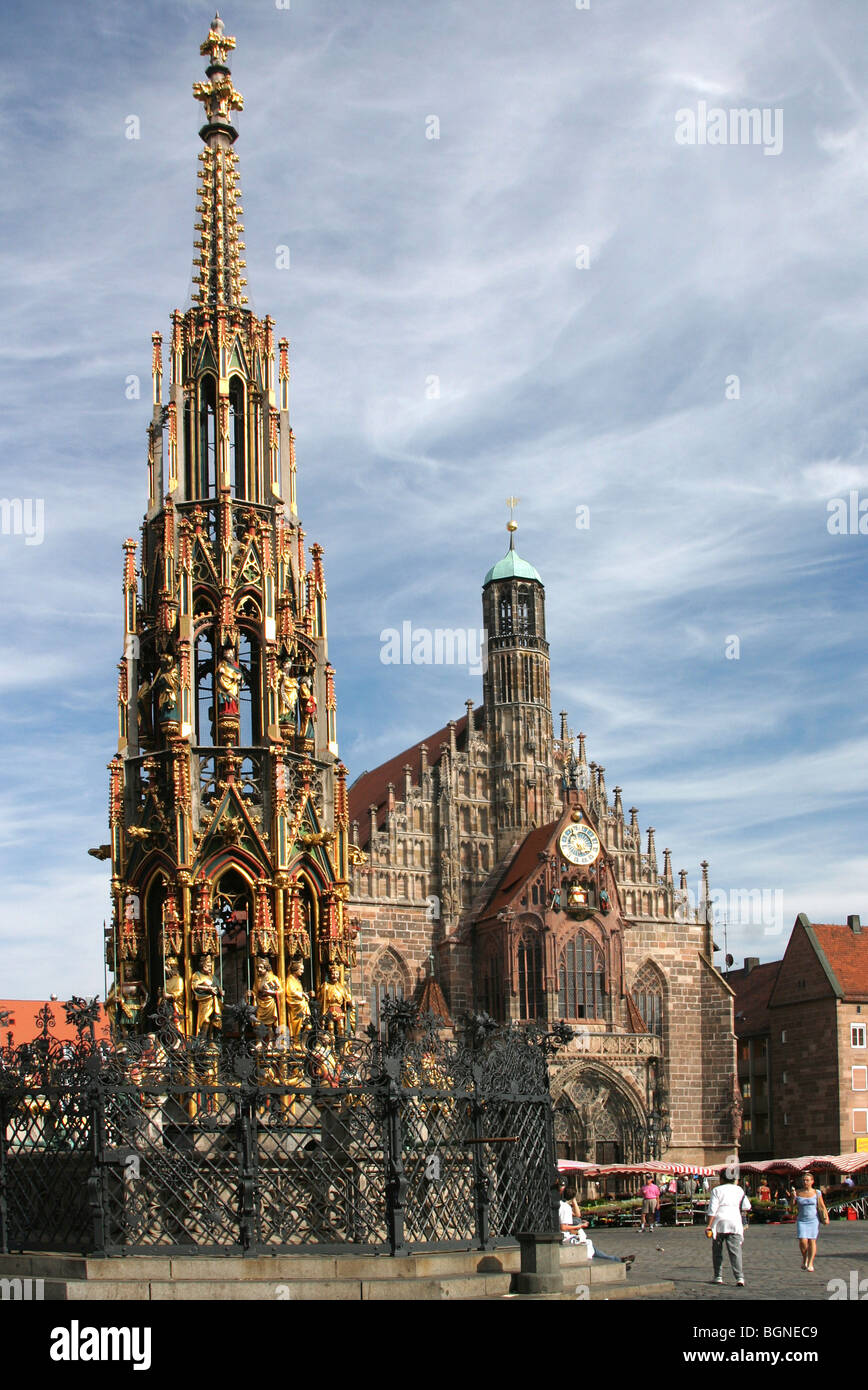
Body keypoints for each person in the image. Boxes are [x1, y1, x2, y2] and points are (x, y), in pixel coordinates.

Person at [558, 1184, 635, 1266]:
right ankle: (618, 1262)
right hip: (566, 1238)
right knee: (592, 1250)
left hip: (568, 1236)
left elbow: (578, 1214)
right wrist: (580, 1226)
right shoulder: (564, 1207)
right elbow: (563, 1227)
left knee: (593, 1250)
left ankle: (618, 1261)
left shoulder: (564, 1206)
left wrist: (574, 1201)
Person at [706, 1173, 751, 1287]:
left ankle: (718, 1276)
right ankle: (739, 1277)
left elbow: (712, 1209)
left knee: (717, 1252)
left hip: (719, 1223)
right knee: (735, 1252)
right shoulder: (739, 1190)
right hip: (734, 1222)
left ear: (721, 1179)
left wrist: (709, 1226)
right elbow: (746, 1206)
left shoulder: (717, 1190)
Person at [788, 1172, 829, 1272]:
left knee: (812, 1241)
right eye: (803, 1180)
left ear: (812, 1181)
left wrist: (826, 1217)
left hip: (813, 1220)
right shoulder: (798, 1192)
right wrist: (793, 1197)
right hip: (802, 1220)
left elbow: (822, 1206)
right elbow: (791, 1207)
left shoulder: (817, 1192)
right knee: (803, 1241)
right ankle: (804, 1258)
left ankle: (810, 1263)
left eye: (807, 1180)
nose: (805, 1182)